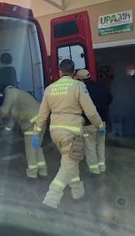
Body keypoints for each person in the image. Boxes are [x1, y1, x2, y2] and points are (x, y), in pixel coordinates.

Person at [34, 59, 104, 209]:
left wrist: (36, 133)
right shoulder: (78, 86)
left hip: (55, 133)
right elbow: (90, 111)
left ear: (60, 71)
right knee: (67, 166)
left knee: (70, 162)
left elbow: (42, 115)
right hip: (71, 133)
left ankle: (78, 192)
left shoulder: (50, 89)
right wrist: (99, 125)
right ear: (73, 72)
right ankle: (51, 200)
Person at [0, 85, 48, 179]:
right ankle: (43, 171)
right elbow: (12, 121)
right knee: (36, 146)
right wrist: (5, 131)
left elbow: (4, 111)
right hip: (41, 120)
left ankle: (32, 175)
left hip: (32, 123)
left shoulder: (10, 92)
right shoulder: (20, 98)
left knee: (30, 149)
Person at [75, 69, 113, 174]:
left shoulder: (81, 90)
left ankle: (94, 169)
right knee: (100, 144)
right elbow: (110, 99)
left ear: (80, 80)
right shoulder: (101, 87)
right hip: (102, 122)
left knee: (90, 145)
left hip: (88, 123)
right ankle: (102, 166)